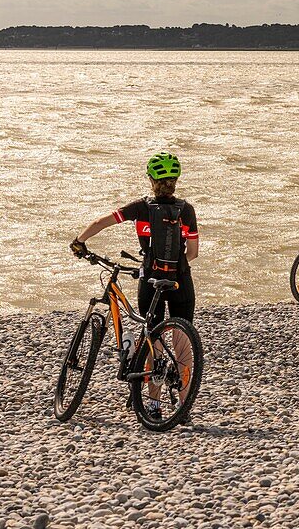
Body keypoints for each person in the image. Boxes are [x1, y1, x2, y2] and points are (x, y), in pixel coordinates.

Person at [70, 152, 199, 418]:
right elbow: (193, 252)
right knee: (183, 341)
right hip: (180, 281)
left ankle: (153, 406)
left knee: (154, 338)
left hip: (151, 279)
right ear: (176, 180)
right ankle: (183, 406)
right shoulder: (186, 210)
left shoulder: (141, 207)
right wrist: (176, 269)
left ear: (151, 179)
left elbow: (101, 222)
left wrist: (79, 241)